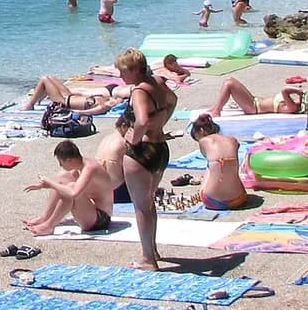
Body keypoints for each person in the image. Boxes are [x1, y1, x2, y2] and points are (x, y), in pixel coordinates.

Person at [116, 48, 176, 270]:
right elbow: (173, 100)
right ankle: (152, 251)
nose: (120, 76)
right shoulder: (158, 81)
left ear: (133, 70)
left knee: (141, 206)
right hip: (160, 148)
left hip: (142, 152)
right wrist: (161, 121)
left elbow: (140, 120)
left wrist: (134, 139)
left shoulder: (139, 91)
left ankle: (147, 259)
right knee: (149, 203)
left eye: (122, 71)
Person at [24, 140, 116, 236]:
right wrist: (45, 185)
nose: (60, 165)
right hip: (91, 209)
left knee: (70, 188)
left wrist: (50, 184)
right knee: (62, 177)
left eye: (61, 162)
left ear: (69, 160)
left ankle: (49, 226)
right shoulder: (80, 164)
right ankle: (45, 217)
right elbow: (61, 182)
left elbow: (74, 193)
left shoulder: (89, 168)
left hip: (100, 219)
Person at [189, 114, 247, 210]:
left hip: (213, 201)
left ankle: (214, 191)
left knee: (210, 166)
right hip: (239, 198)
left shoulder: (204, 141)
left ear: (201, 131)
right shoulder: (233, 140)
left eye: (197, 138)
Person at [23, 75, 127, 114]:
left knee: (44, 79)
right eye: (119, 99)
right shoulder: (107, 99)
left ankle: (30, 105)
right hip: (69, 96)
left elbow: (90, 112)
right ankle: (40, 96)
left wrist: (73, 111)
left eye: (119, 101)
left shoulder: (105, 106)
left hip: (63, 102)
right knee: (51, 77)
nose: (118, 100)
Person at [206, 77, 305, 116]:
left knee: (229, 83)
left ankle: (216, 110)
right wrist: (300, 95)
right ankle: (216, 108)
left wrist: (298, 91)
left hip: (254, 107)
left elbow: (285, 91)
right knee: (230, 80)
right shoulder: (293, 104)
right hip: (254, 101)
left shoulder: (292, 108)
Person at [94, 113, 133, 203]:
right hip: (116, 190)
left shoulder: (107, 138)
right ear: (124, 126)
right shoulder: (122, 143)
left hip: (101, 188)